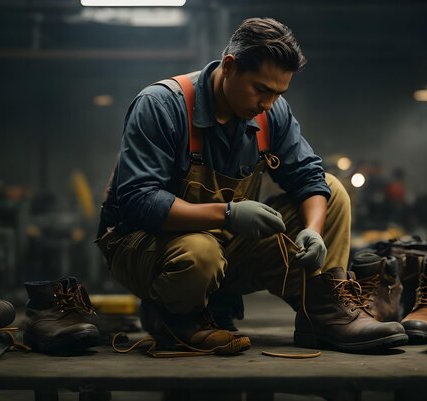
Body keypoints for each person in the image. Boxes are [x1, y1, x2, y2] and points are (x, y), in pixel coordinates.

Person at [96, 17, 407, 355]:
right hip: (144, 247)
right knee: (200, 254)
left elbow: (308, 176)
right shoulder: (161, 106)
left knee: (332, 191)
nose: (269, 103)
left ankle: (321, 313)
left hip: (225, 249)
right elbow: (139, 202)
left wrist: (315, 232)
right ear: (229, 67)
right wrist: (228, 214)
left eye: (278, 93)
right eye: (261, 90)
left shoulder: (270, 112)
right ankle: (176, 318)